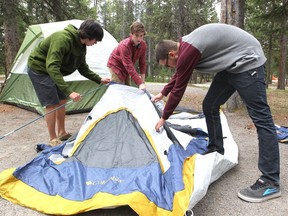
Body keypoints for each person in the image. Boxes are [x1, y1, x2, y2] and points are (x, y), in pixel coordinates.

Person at [151, 23, 281, 203]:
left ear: (172, 54)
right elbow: (178, 76)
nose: (170, 68)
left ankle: (270, 182)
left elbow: (179, 87)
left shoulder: (189, 50)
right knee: (210, 105)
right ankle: (215, 147)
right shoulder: (186, 48)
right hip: (231, 66)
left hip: (247, 61)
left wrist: (164, 117)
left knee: (262, 119)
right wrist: (163, 92)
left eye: (168, 65)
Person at [27, 19, 110, 146]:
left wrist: (99, 79)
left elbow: (82, 68)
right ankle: (53, 138)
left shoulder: (81, 46)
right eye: (95, 40)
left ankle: (62, 132)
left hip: (52, 71)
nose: (95, 43)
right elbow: (52, 66)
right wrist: (69, 91)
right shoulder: (62, 39)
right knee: (51, 103)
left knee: (62, 100)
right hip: (39, 69)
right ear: (88, 36)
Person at [107, 21, 147, 90]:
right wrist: (139, 83)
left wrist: (142, 81)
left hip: (126, 68)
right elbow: (129, 66)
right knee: (118, 89)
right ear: (131, 34)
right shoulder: (125, 46)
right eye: (136, 35)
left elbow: (142, 63)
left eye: (141, 36)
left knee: (128, 88)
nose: (139, 39)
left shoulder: (143, 45)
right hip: (116, 66)